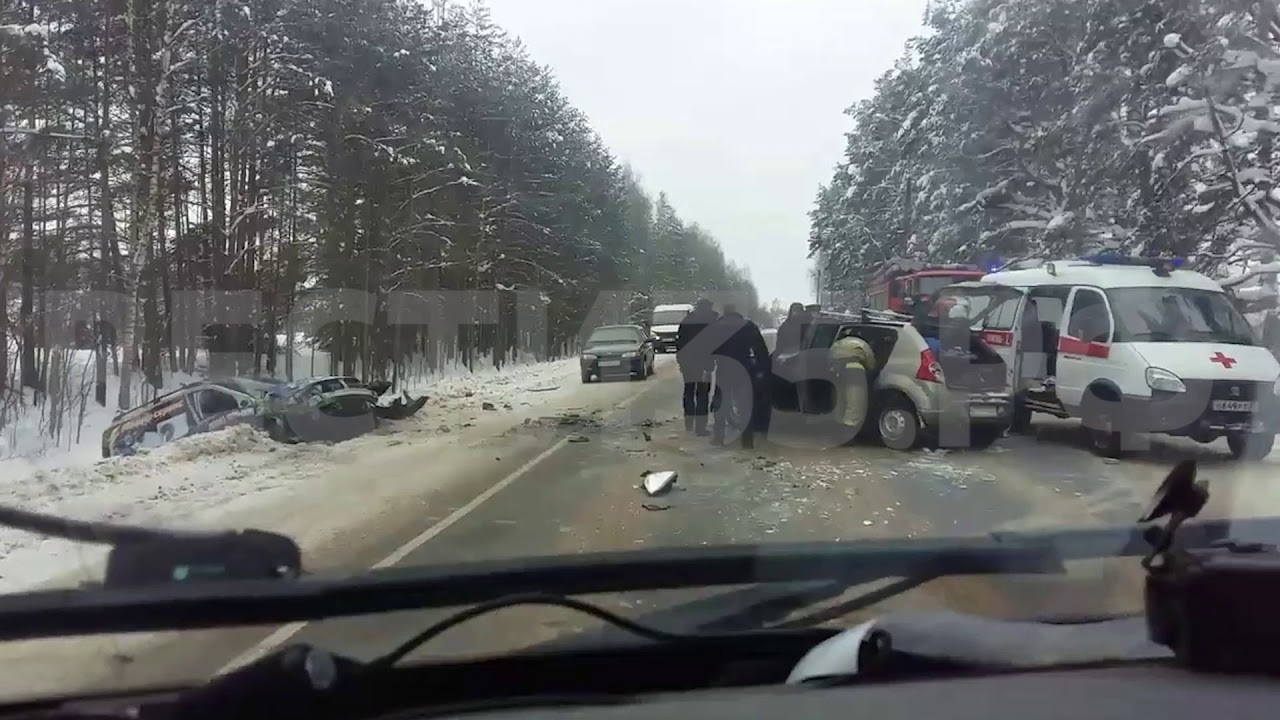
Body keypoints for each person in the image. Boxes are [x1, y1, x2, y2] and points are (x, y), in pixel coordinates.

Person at [709, 304, 772, 449]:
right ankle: (747, 441)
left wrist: (709, 364)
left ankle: (719, 438)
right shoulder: (748, 325)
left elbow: (709, 348)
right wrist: (762, 368)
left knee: (721, 404)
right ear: (736, 311)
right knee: (745, 405)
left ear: (725, 311)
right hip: (744, 368)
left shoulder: (717, 326)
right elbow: (760, 349)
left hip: (724, 368)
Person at [676, 298, 719, 436]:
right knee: (702, 393)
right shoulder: (711, 321)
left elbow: (680, 343)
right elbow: (714, 342)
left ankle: (689, 424)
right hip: (704, 362)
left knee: (689, 391)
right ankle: (700, 428)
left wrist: (681, 360)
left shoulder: (687, 321)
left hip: (688, 361)